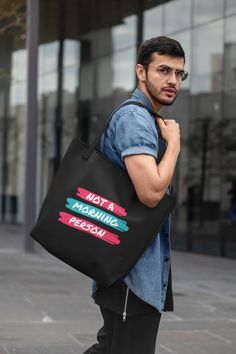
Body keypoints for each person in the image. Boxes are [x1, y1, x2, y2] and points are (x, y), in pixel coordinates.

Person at [84, 36, 188, 354]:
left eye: (179, 73)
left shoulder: (147, 118)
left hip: (126, 265)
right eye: (163, 70)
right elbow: (152, 193)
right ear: (141, 72)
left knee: (111, 347)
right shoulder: (135, 119)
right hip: (132, 271)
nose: (172, 80)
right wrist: (174, 145)